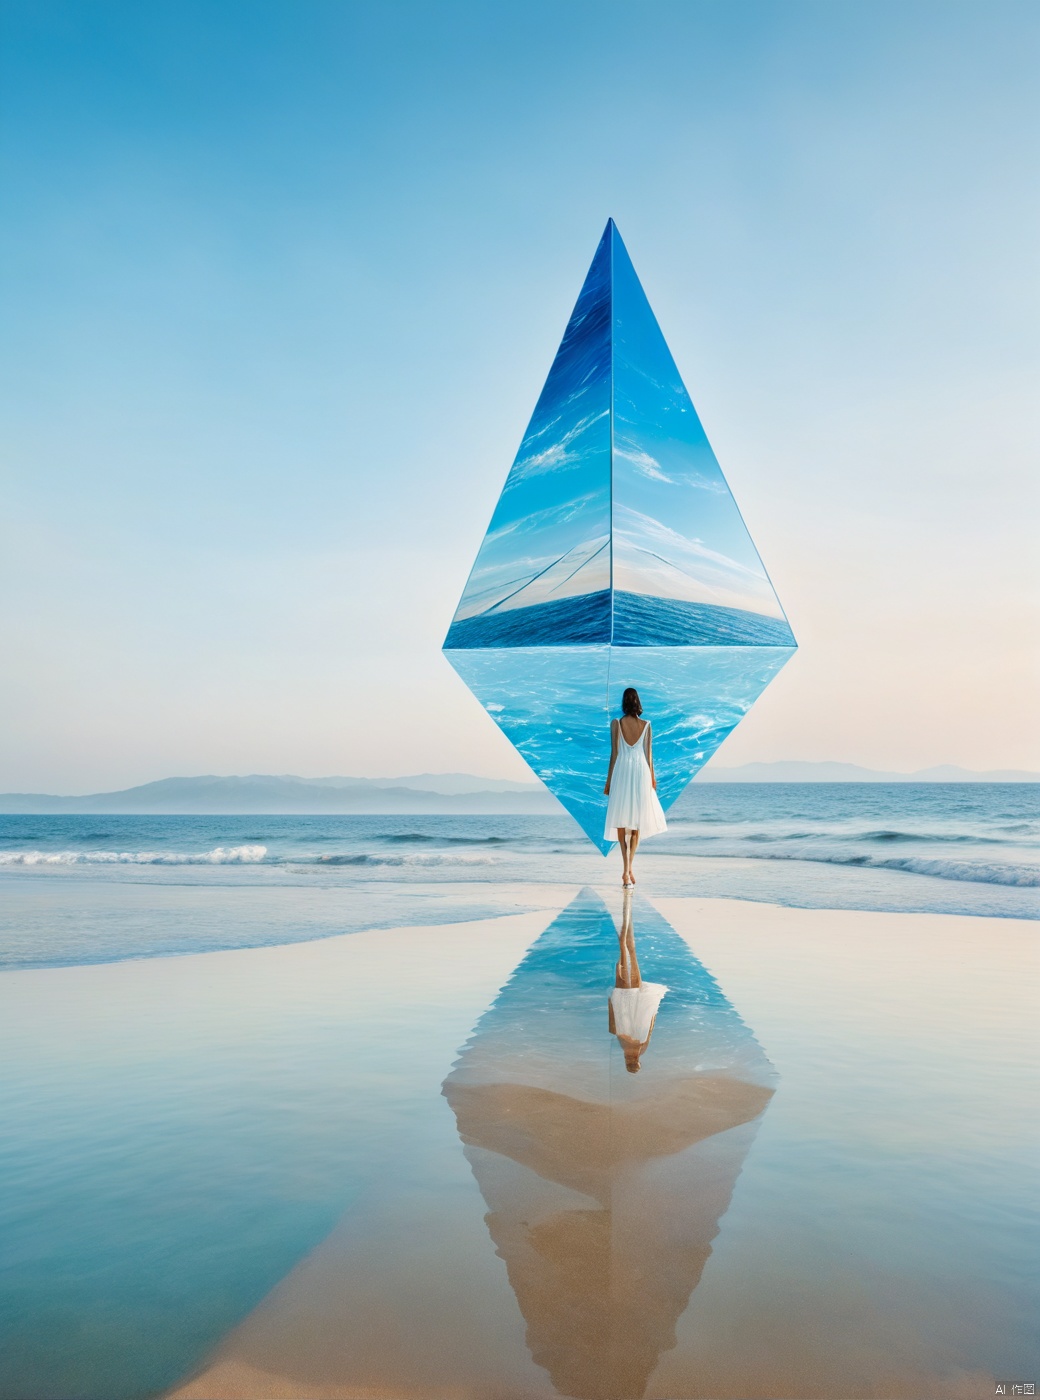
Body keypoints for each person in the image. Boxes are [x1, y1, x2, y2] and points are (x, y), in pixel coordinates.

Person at [603, 686, 667, 887]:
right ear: (638, 702)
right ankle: (630, 868)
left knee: (622, 822)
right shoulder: (647, 725)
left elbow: (614, 755)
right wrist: (653, 780)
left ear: (624, 702)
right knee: (637, 823)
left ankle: (624, 870)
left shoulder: (616, 724)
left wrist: (608, 781)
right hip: (641, 771)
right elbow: (649, 757)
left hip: (622, 770)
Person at [609, 891, 668, 1072]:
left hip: (634, 995)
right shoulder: (629, 1046)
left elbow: (650, 1023)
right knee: (625, 948)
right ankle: (627, 904)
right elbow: (615, 1025)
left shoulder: (640, 1046)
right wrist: (610, 1002)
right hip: (624, 995)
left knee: (630, 950)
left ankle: (627, 904)